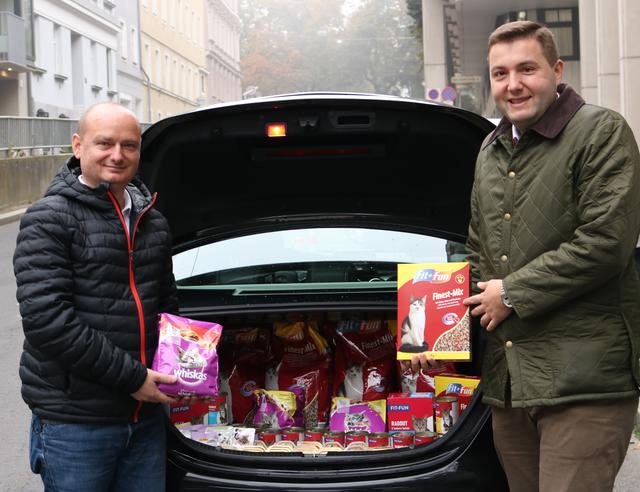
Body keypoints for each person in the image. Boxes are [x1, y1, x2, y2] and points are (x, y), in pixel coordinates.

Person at [462, 20, 640, 492]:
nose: (513, 84)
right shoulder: (491, 148)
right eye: (500, 74)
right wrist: (434, 341)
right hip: (511, 383)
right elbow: (479, 249)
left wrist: (514, 293)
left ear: (556, 70)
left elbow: (606, 242)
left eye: (527, 69)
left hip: (583, 381)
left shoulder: (599, 131)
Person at [14, 102, 180, 492]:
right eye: (104, 143)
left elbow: (166, 308)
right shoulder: (49, 218)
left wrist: (188, 365)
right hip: (76, 423)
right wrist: (134, 378)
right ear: (77, 145)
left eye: (129, 145)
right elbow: (48, 322)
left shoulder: (152, 220)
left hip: (145, 418)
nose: (117, 155)